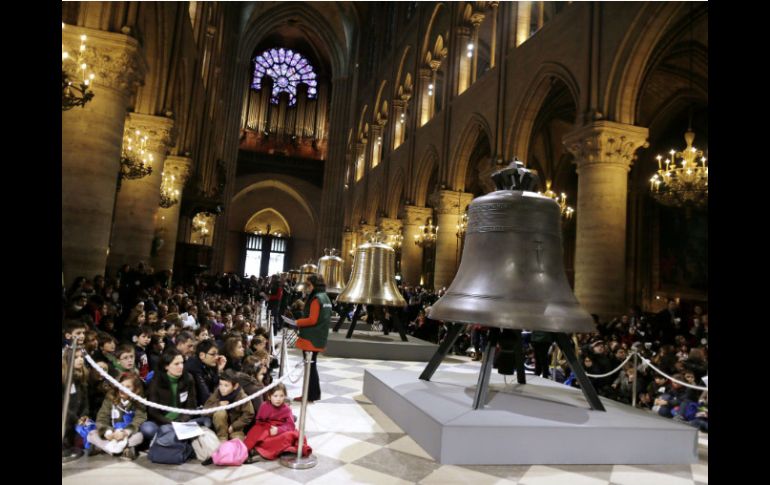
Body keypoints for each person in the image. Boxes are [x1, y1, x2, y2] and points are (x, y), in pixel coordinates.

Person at [241, 384, 311, 462]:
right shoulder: (264, 406)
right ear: (269, 397)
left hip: (281, 429)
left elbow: (290, 425)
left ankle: (257, 451)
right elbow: (258, 420)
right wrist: (265, 429)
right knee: (255, 431)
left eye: (281, 396)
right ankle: (246, 450)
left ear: (285, 396)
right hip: (267, 427)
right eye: (275, 396)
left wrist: (278, 430)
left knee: (287, 437)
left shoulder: (287, 409)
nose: (278, 399)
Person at [87, 373, 147, 460]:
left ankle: (104, 448)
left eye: (128, 387)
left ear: (135, 389)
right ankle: (122, 449)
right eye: (121, 385)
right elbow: (102, 418)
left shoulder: (139, 401)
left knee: (139, 436)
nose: (123, 389)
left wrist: (125, 432)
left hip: (127, 434)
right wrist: (108, 432)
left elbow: (140, 418)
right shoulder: (110, 397)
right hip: (112, 432)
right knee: (92, 434)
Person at [292, 274, 331, 403]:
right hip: (319, 336)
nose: (307, 287)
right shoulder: (325, 297)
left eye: (308, 284)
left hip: (311, 338)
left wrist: (297, 322)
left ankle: (309, 395)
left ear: (314, 285)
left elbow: (312, 320)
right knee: (312, 367)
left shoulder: (316, 298)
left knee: (310, 368)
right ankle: (313, 394)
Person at [204, 369, 255, 441]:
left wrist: (234, 426)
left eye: (226, 385)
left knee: (237, 442)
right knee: (220, 412)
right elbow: (205, 409)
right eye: (220, 384)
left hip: (236, 429)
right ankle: (222, 438)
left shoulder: (242, 397)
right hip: (220, 430)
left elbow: (249, 414)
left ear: (235, 386)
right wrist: (218, 404)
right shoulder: (217, 392)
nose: (222, 388)